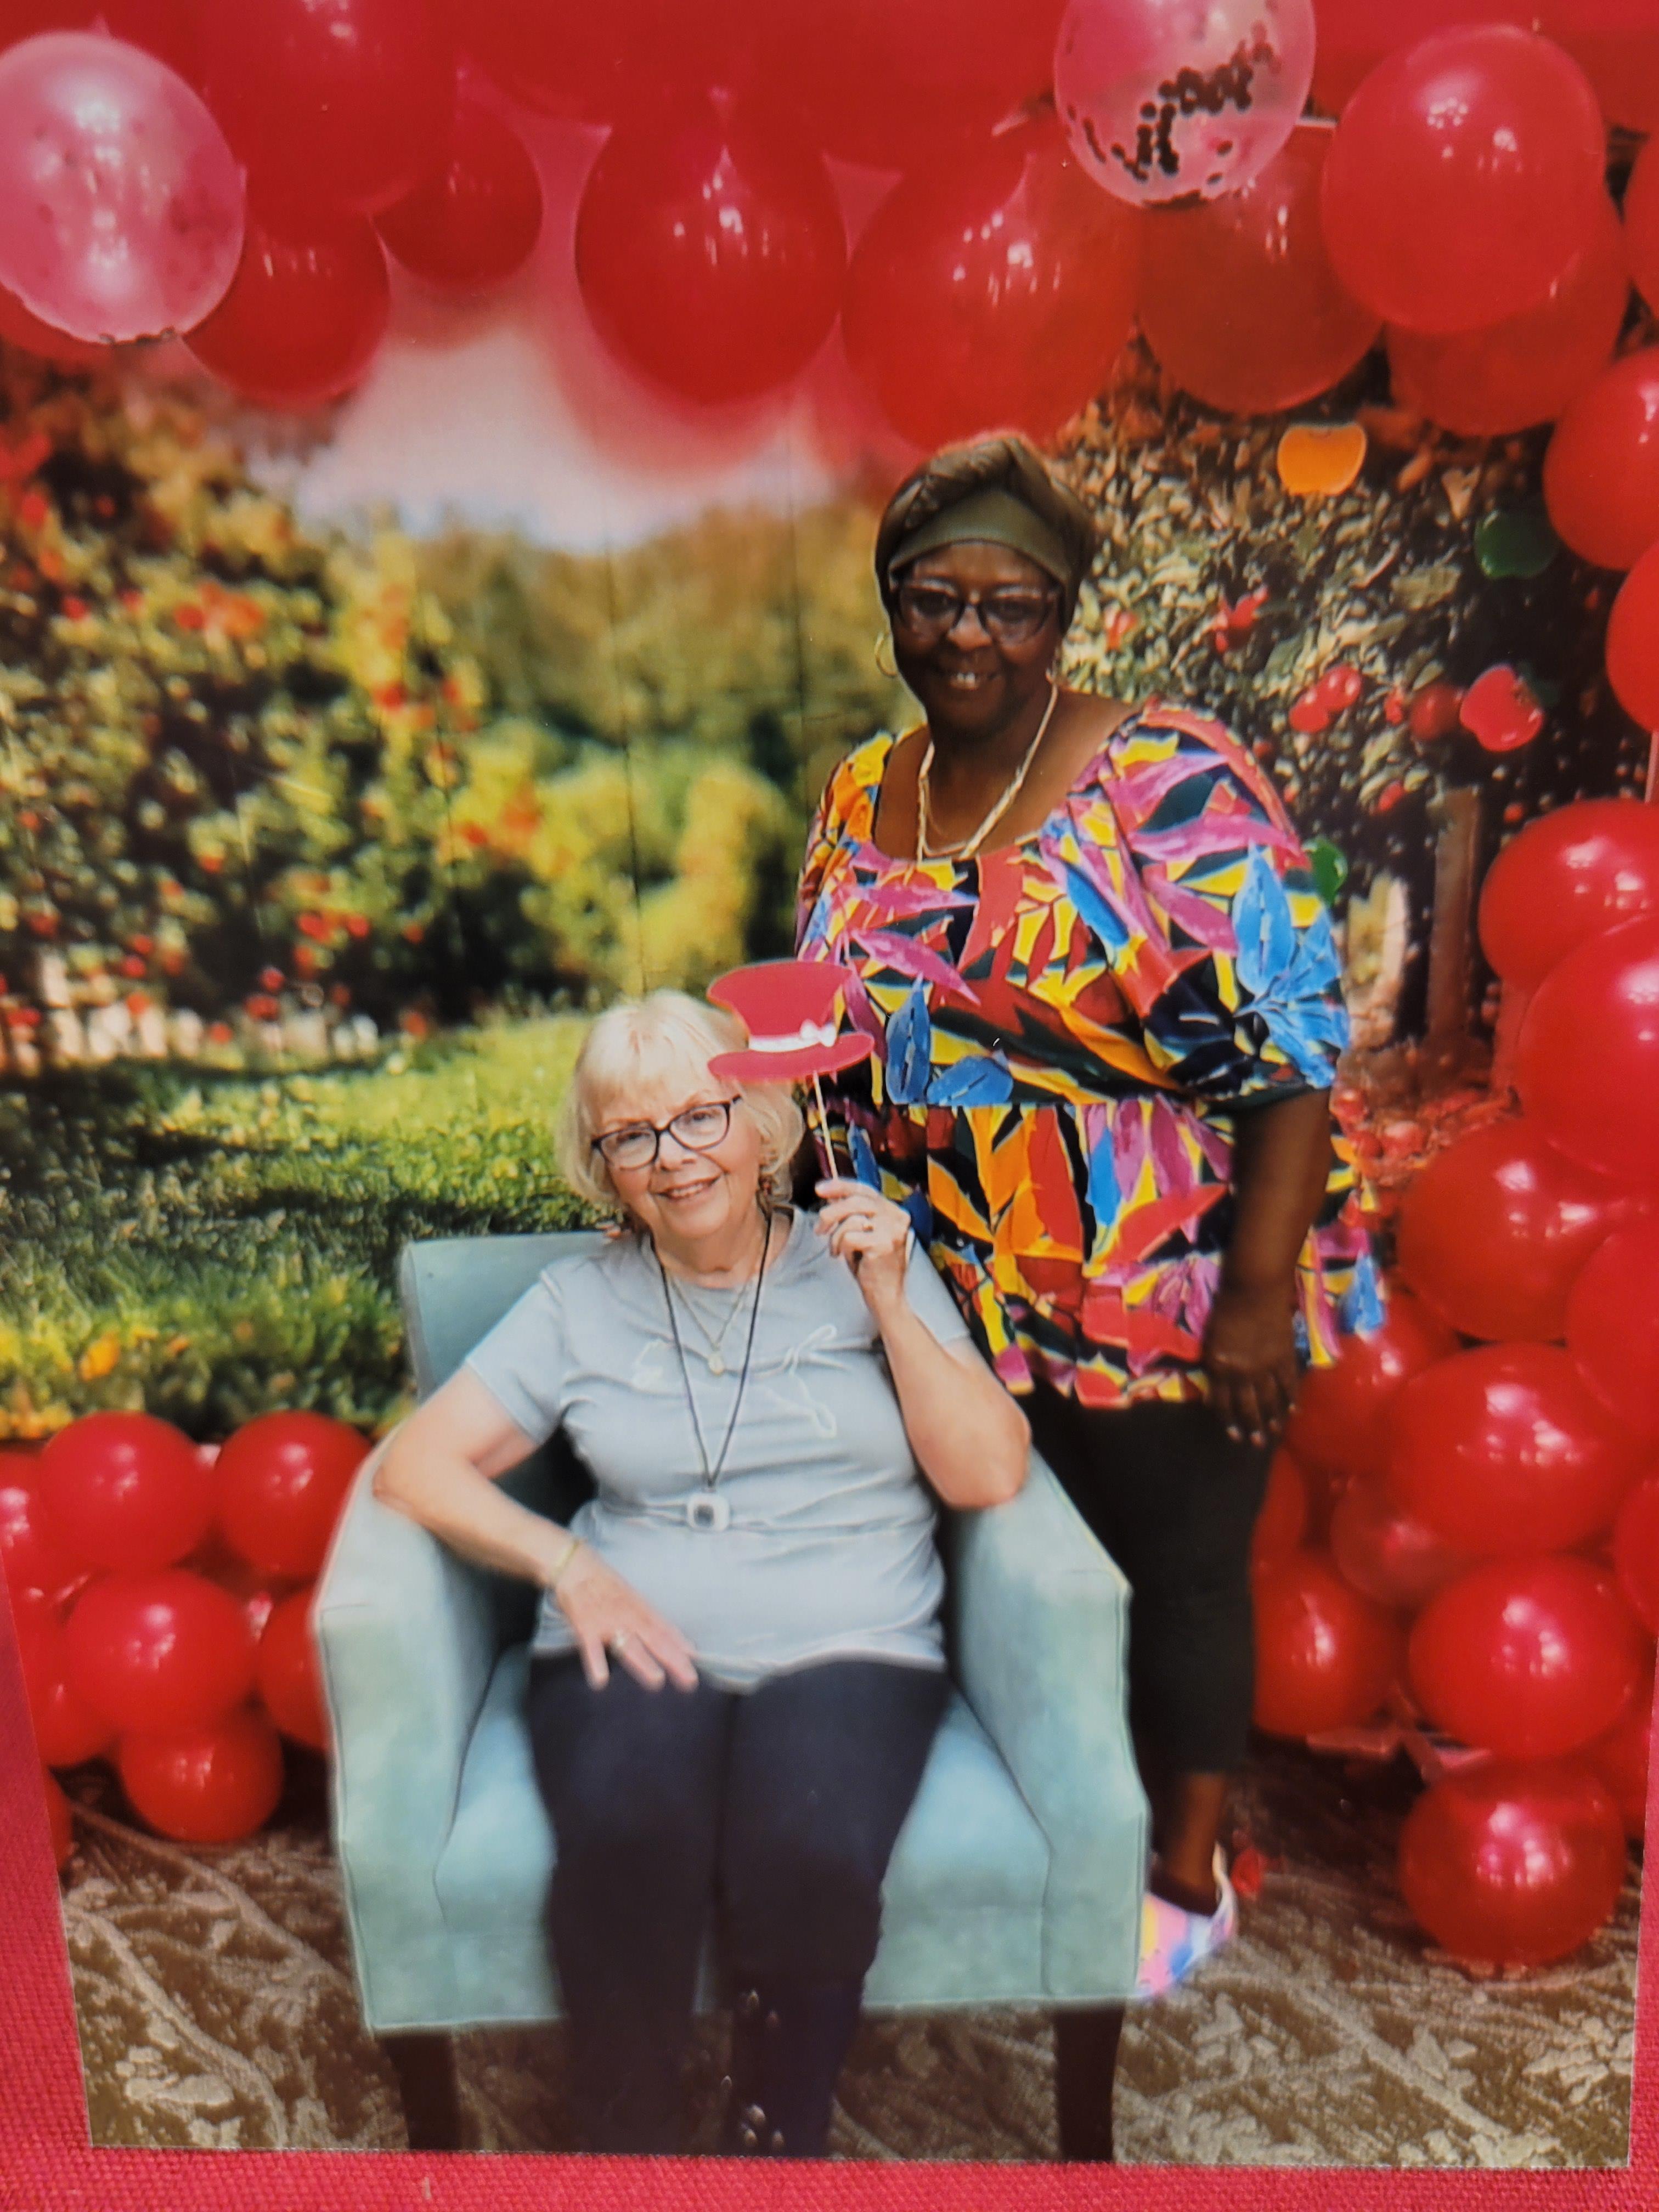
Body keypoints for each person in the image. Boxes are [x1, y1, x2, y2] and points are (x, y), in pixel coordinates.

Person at [797, 432, 1379, 1997]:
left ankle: (1186, 1880)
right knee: (1005, 1561)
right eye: (936, 599)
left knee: (1173, 1570)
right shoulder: (866, 783)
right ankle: (1024, 1830)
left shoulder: (1173, 776)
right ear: (894, 605)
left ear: (1063, 615)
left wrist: (1257, 1294)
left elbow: (1295, 1043)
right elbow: (836, 1007)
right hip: (954, 1261)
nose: (970, 637)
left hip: (1161, 1260)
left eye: (1014, 605)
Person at [371, 989, 1029, 2155]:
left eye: (700, 1117)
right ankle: (625, 2145)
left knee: (812, 1843)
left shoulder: (865, 1260)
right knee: (628, 1828)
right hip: (637, 1633)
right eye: (633, 1136)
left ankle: (775, 2137)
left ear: (763, 1121)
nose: (673, 1161)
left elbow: (985, 1475)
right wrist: (565, 1564)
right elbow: (416, 1468)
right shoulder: (578, 1302)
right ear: (604, 1164)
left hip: (854, 1640)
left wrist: (891, 1303)